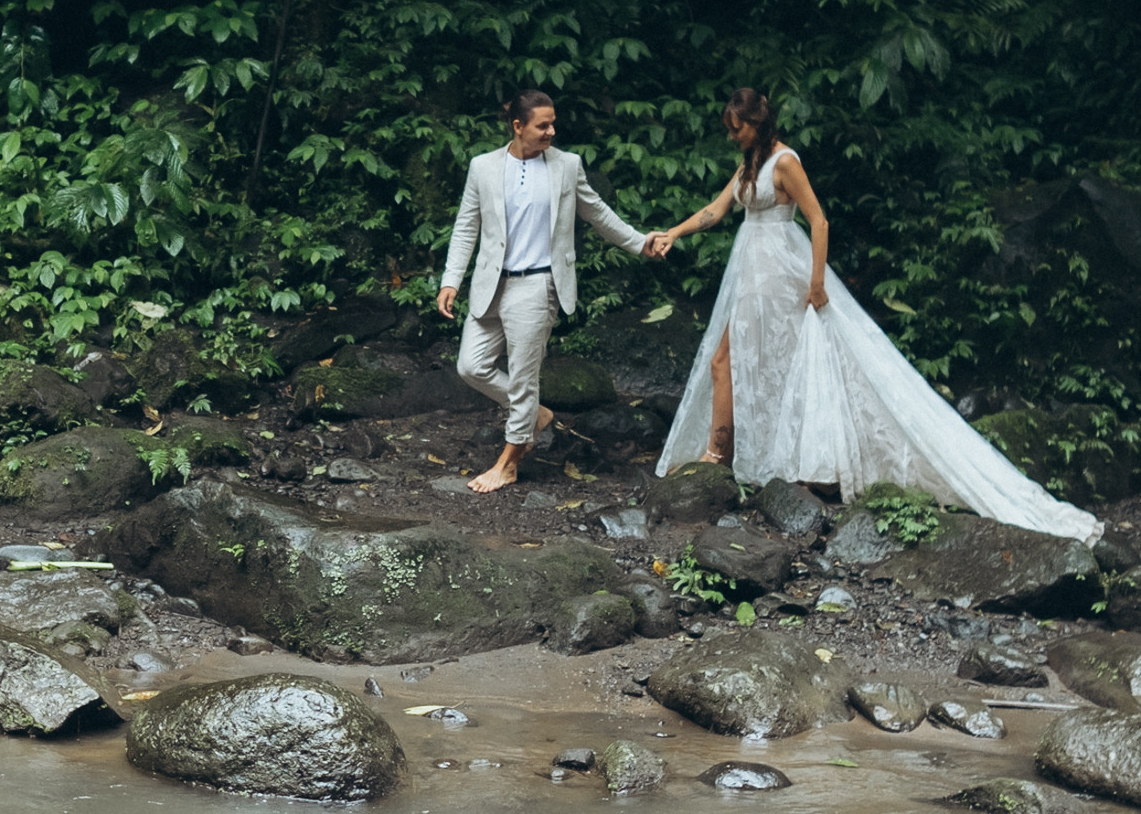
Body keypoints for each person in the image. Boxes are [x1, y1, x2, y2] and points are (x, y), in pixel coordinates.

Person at [650, 88, 1100, 544]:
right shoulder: (750, 162)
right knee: (725, 359)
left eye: (738, 127)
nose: (733, 136)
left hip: (782, 270)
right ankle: (719, 456)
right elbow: (717, 209)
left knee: (780, 361)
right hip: (749, 270)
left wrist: (818, 283)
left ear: (757, 123)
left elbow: (819, 220)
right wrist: (675, 232)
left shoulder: (785, 161)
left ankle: (745, 458)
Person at [437, 92, 673, 493]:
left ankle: (509, 463)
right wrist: (450, 279)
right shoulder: (483, 167)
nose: (552, 131)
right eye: (542, 125)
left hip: (538, 284)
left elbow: (597, 212)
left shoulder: (567, 166)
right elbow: (466, 227)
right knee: (470, 366)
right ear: (518, 127)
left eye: (552, 123)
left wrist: (639, 242)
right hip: (490, 284)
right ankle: (535, 416)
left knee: (524, 380)